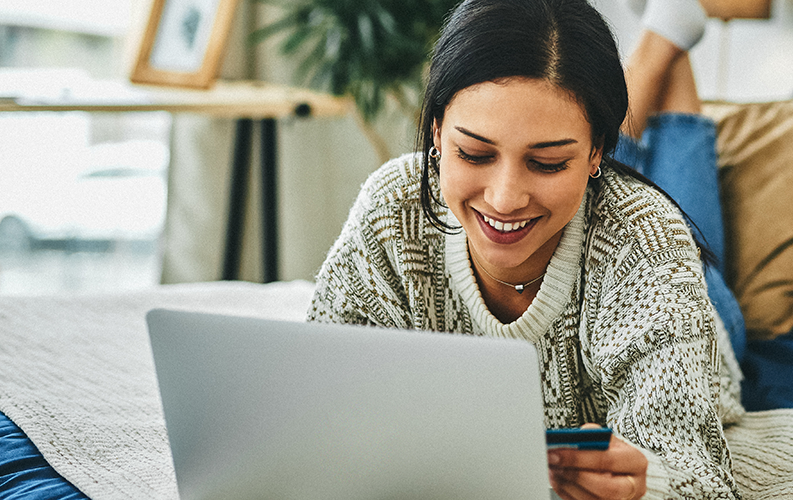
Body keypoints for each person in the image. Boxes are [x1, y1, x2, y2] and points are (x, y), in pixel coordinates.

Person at [307, 0, 743, 498]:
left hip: (704, 314)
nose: (504, 198)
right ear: (435, 131)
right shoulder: (393, 206)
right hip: (601, 214)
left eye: (549, 162)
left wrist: (651, 484)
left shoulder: (649, 243)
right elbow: (323, 404)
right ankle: (667, 35)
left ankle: (666, 40)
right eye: (474, 153)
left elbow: (699, 475)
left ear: (597, 150)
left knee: (681, 215)